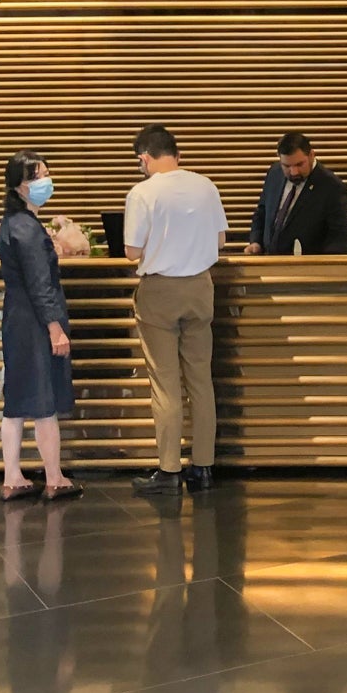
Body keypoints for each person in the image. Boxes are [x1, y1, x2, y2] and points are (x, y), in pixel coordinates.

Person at [124, 125, 228, 496]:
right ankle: (203, 468)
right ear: (176, 153)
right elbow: (220, 241)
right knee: (200, 380)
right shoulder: (207, 186)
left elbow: (133, 253)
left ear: (145, 158)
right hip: (201, 288)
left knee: (165, 384)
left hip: (161, 292)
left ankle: (169, 471)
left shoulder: (142, 192)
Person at [0, 150, 82, 502]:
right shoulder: (29, 230)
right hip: (36, 321)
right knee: (44, 398)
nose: (44, 182)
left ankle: (12, 475)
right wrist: (55, 328)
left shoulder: (10, 224)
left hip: (15, 317)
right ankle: (54, 476)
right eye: (36, 176)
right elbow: (40, 284)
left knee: (16, 399)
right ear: (19, 186)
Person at [244, 133, 347, 256]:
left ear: (311, 155)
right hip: (269, 263)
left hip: (308, 269)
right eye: (286, 166)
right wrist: (256, 242)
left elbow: (340, 237)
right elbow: (262, 212)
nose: (294, 172)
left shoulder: (332, 187)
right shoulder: (274, 173)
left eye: (299, 164)